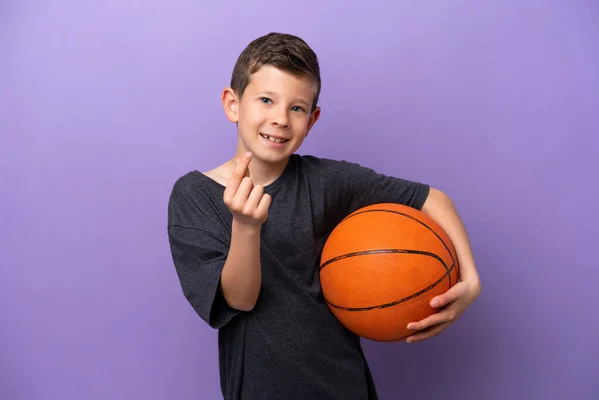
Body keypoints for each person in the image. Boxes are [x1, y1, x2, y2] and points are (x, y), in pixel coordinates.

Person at [167, 32, 481, 400]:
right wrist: (246, 226)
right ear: (232, 104)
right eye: (266, 100)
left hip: (345, 386)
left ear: (312, 120)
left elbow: (433, 199)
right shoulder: (194, 196)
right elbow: (240, 299)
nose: (281, 119)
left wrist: (470, 281)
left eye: (296, 108)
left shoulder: (328, 181)